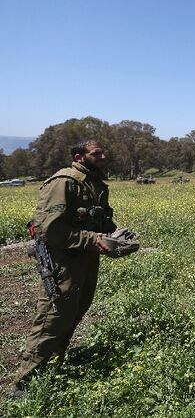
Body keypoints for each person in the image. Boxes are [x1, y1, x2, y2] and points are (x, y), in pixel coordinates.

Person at [13, 140, 118, 396]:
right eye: (97, 153)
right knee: (53, 318)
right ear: (79, 156)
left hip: (85, 260)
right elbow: (51, 231)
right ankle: (24, 384)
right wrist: (93, 240)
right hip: (64, 264)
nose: (103, 156)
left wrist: (116, 234)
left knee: (75, 311)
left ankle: (52, 367)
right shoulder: (64, 182)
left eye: (103, 152)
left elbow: (99, 219)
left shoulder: (94, 183)